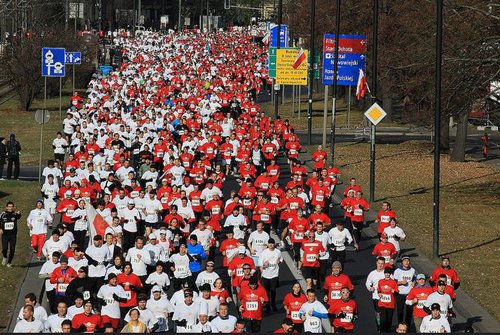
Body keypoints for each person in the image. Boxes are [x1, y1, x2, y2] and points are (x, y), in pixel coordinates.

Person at [259, 238, 283, 313]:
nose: (271, 245)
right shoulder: (264, 252)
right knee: (266, 291)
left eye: (272, 243)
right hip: (266, 274)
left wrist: (279, 261)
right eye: (269, 243)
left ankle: (273, 304)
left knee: (273, 290)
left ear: (274, 244)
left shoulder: (278, 252)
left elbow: (281, 260)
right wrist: (264, 265)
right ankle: (268, 305)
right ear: (267, 244)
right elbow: (260, 263)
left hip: (274, 274)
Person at [366, 257, 387, 331]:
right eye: (379, 263)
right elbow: (368, 283)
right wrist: (370, 288)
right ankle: (379, 327)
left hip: (386, 297)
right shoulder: (372, 273)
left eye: (382, 263)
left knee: (385, 313)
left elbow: (393, 282)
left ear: (384, 264)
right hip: (376, 296)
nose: (380, 265)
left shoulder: (387, 273)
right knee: (378, 313)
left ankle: (385, 327)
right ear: (376, 263)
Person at [394, 256, 416, 326]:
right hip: (400, 294)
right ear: (402, 262)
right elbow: (393, 283)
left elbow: (415, 278)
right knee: (400, 311)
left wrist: (414, 282)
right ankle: (400, 325)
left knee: (409, 311)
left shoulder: (412, 270)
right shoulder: (397, 271)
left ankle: (407, 326)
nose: (407, 262)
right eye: (405, 261)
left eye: (408, 261)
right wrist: (401, 282)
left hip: (409, 294)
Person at [377, 267, 399, 332]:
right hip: (382, 304)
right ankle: (382, 331)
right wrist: (379, 293)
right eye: (386, 273)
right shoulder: (380, 281)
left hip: (390, 304)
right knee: (383, 319)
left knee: (389, 320)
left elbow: (397, 293)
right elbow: (378, 290)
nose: (387, 274)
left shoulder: (393, 282)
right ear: (384, 273)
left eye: (388, 273)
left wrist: (394, 291)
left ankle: (388, 331)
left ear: (390, 274)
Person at [0, 201, 22, 267]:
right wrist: (0, 228)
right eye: (9, 207)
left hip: (13, 235)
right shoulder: (2, 214)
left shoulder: (15, 214)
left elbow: (19, 216)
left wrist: (19, 213)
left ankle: (9, 262)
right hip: (5, 235)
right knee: (4, 249)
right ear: (6, 207)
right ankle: (4, 257)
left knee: (12, 249)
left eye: (12, 206)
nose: (10, 208)